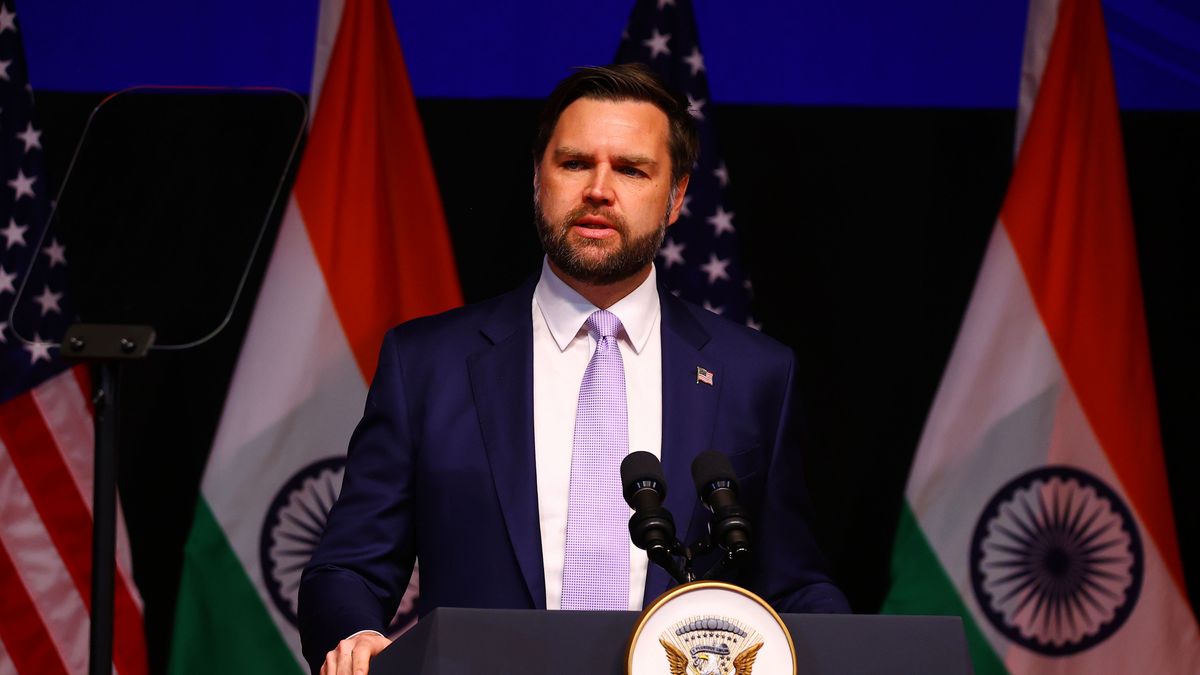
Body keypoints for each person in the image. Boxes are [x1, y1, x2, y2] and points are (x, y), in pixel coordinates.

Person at [298, 63, 849, 675]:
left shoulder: (755, 374)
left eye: (632, 169)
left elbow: (793, 582)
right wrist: (355, 634)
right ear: (538, 179)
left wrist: (851, 652)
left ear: (676, 198)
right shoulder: (427, 364)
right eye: (575, 163)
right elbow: (346, 567)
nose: (599, 189)